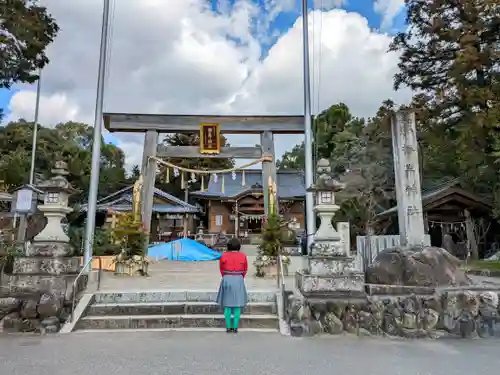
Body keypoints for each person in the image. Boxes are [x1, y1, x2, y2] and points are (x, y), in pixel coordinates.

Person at [216, 238, 248, 333]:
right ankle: (235, 327)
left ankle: (228, 327)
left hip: (227, 277)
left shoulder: (223, 256)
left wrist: (226, 276)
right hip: (238, 278)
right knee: (237, 304)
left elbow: (221, 269)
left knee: (227, 304)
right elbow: (245, 269)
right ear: (239, 247)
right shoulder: (243, 256)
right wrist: (239, 276)